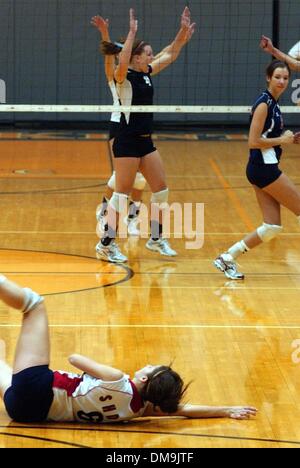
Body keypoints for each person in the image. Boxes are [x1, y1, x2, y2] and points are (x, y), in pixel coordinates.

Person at [0, 275, 257, 423]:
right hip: (25, 412)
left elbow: (74, 358)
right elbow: (183, 411)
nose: (146, 364)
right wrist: (225, 410)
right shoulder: (136, 411)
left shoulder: (117, 378)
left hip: (38, 388)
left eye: (149, 366)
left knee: (34, 304)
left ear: (144, 378)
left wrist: (99, 375)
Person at [95, 7, 195, 263]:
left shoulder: (146, 73)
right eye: (148, 53)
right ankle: (106, 244)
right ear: (136, 57)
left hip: (145, 141)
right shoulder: (122, 77)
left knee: (160, 190)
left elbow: (170, 53)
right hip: (126, 140)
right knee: (122, 194)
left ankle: (156, 238)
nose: (152, 56)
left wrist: (182, 33)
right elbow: (119, 59)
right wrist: (131, 34)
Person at [214, 60, 300, 280]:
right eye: (277, 77)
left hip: (262, 167)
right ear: (268, 77)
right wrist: (284, 139)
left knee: (272, 227)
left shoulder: (274, 103)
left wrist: (287, 139)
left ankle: (227, 258)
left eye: (285, 78)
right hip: (263, 169)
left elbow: (269, 137)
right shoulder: (264, 104)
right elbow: (253, 141)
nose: (281, 81)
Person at [91, 15, 147, 237]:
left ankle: (132, 218)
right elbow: (109, 56)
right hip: (119, 126)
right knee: (124, 177)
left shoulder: (140, 74)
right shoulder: (117, 76)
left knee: (140, 180)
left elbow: (163, 57)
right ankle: (105, 209)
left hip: (139, 127)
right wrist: (105, 34)